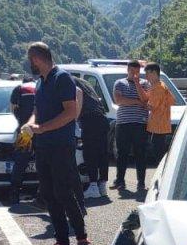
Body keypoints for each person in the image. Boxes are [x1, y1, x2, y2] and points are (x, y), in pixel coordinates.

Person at [22, 42, 89, 245]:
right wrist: (30, 125)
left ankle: (82, 239)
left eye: (30, 60)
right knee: (49, 195)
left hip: (61, 145)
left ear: (36, 59)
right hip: (43, 146)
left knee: (64, 193)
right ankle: (62, 243)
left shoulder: (62, 78)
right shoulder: (40, 82)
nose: (29, 64)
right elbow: (36, 111)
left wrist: (41, 128)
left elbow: (70, 113)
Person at [112, 60, 151, 192]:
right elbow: (119, 100)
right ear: (127, 70)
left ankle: (141, 182)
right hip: (123, 123)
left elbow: (145, 100)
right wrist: (136, 102)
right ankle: (120, 180)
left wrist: (137, 84)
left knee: (140, 153)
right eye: (132, 71)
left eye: (137, 72)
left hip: (140, 123)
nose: (135, 74)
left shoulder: (145, 83)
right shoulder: (119, 83)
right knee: (122, 153)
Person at [74, 75, 111, 198]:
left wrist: (75, 119)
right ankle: (102, 186)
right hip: (102, 119)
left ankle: (93, 186)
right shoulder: (85, 83)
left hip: (90, 120)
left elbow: (77, 96)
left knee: (90, 154)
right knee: (102, 153)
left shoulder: (69, 82)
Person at [6, 80, 37, 205]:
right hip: (41, 129)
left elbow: (13, 108)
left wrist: (20, 122)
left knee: (20, 163)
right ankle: (43, 194)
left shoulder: (19, 88)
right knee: (44, 162)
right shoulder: (40, 87)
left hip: (25, 131)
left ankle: (14, 192)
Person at [143, 62, 176, 168]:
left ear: (154, 73)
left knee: (158, 153)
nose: (146, 77)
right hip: (161, 124)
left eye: (147, 74)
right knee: (159, 150)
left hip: (159, 125)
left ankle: (163, 177)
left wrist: (139, 103)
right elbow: (172, 101)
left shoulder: (158, 88)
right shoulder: (161, 85)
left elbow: (151, 107)